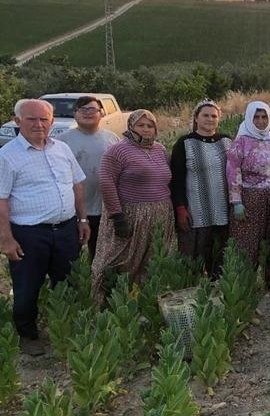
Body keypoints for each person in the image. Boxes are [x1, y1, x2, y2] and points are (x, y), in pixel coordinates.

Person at [0, 99, 89, 356]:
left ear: (51, 121)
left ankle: (66, 328)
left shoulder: (61, 148)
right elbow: (1, 200)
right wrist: (5, 239)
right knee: (27, 285)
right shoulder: (7, 156)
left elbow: (77, 185)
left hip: (65, 229)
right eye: (31, 119)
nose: (39, 124)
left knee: (68, 282)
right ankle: (28, 335)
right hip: (29, 233)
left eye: (44, 119)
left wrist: (82, 220)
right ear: (17, 122)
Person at [92, 109, 175, 299]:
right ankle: (108, 305)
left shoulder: (160, 150)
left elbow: (165, 179)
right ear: (130, 126)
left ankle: (146, 304)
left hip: (161, 214)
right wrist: (117, 216)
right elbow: (106, 182)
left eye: (150, 125)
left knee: (153, 260)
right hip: (130, 215)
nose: (146, 130)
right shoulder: (117, 151)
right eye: (141, 125)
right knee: (118, 261)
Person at [226, 101, 270, 291]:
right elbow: (232, 172)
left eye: (264, 117)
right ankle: (244, 283)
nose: (260, 121)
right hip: (250, 198)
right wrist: (236, 201)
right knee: (247, 243)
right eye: (256, 117)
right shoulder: (241, 142)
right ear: (249, 118)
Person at [170, 99, 232, 279]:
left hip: (222, 210)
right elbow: (177, 180)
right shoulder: (184, 143)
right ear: (196, 118)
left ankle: (218, 292)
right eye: (205, 115)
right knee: (194, 257)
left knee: (220, 256)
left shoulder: (226, 141)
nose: (210, 119)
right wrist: (181, 208)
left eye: (214, 116)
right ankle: (193, 293)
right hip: (196, 211)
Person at [58, 96, 120, 258]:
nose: (87, 113)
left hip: (104, 209)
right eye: (82, 109)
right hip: (73, 211)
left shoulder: (112, 139)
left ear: (101, 113)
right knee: (71, 258)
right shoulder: (62, 141)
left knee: (100, 257)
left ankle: (98, 283)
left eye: (92, 109)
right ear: (75, 114)